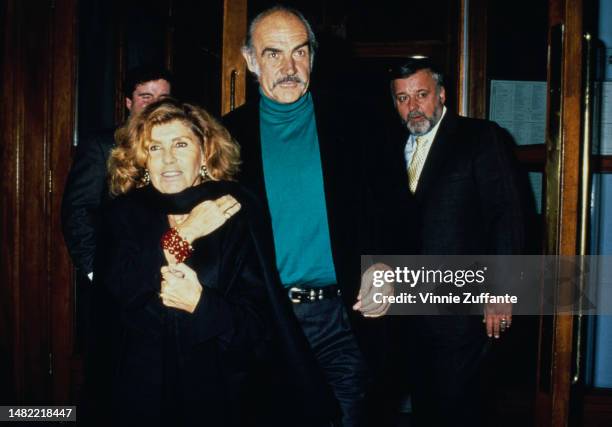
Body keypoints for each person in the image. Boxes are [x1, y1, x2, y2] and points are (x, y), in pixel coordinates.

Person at [223, 6, 385, 427]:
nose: (290, 67)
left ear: (313, 55)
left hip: (342, 318)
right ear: (251, 60)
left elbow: (395, 210)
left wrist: (385, 266)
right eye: (274, 54)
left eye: (300, 52)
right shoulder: (223, 138)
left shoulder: (358, 122)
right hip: (265, 320)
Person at [368, 58, 530, 427]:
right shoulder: (387, 149)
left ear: (441, 94)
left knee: (459, 409)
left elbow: (507, 215)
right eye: (402, 98)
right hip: (405, 310)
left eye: (421, 95)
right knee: (423, 406)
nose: (413, 107)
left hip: (463, 310)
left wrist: (501, 292)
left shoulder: (480, 137)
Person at [90, 98, 270, 426]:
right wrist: (184, 235)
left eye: (181, 144)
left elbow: (259, 324)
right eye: (155, 148)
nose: (168, 160)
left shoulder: (236, 210)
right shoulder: (123, 214)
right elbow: (119, 294)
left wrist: (202, 305)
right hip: (139, 390)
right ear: (143, 159)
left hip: (218, 389)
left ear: (205, 152)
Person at [61, 64, 174, 281]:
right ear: (128, 102)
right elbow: (77, 210)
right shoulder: (101, 146)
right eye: (146, 97)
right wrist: (93, 270)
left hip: (165, 267)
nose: (156, 105)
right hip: (115, 271)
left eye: (163, 97)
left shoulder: (182, 146)